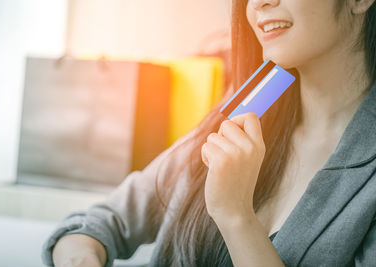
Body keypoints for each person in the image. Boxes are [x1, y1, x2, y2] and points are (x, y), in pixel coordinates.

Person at [42, 0, 376, 266]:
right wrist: (81, 258)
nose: (259, 3)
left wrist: (236, 216)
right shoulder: (238, 120)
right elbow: (98, 223)